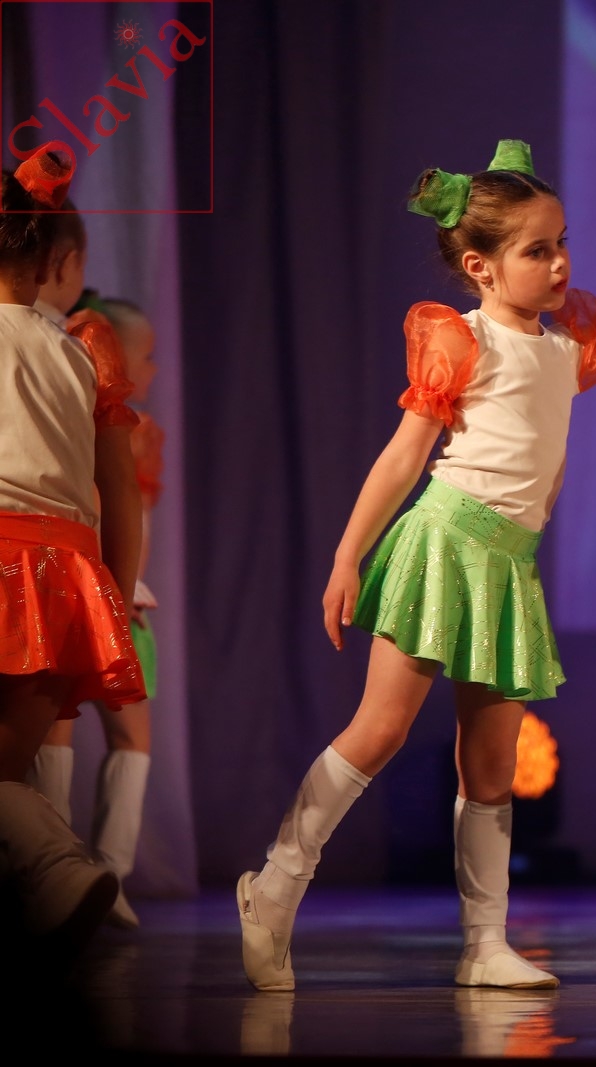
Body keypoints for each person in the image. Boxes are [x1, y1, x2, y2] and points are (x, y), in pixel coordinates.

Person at [236, 139, 596, 993]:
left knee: (492, 764)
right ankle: (276, 884)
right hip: (443, 542)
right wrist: (347, 556)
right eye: (538, 250)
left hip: (509, 564)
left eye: (562, 242)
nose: (560, 263)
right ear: (481, 266)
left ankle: (485, 942)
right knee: (382, 728)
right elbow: (403, 457)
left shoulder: (565, 349)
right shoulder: (460, 340)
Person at [0, 152, 145, 963]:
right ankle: (58, 870)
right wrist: (110, 598)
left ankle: (58, 869)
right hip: (61, 575)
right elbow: (118, 493)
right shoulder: (84, 351)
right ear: (57, 262)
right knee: (7, 768)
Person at [30, 296, 162, 930]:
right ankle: (50, 869)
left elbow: (138, 510)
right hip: (83, 581)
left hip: (129, 591)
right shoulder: (77, 412)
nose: (152, 368)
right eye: (145, 354)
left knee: (133, 733)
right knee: (53, 724)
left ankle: (110, 872)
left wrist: (131, 584)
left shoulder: (142, 429)